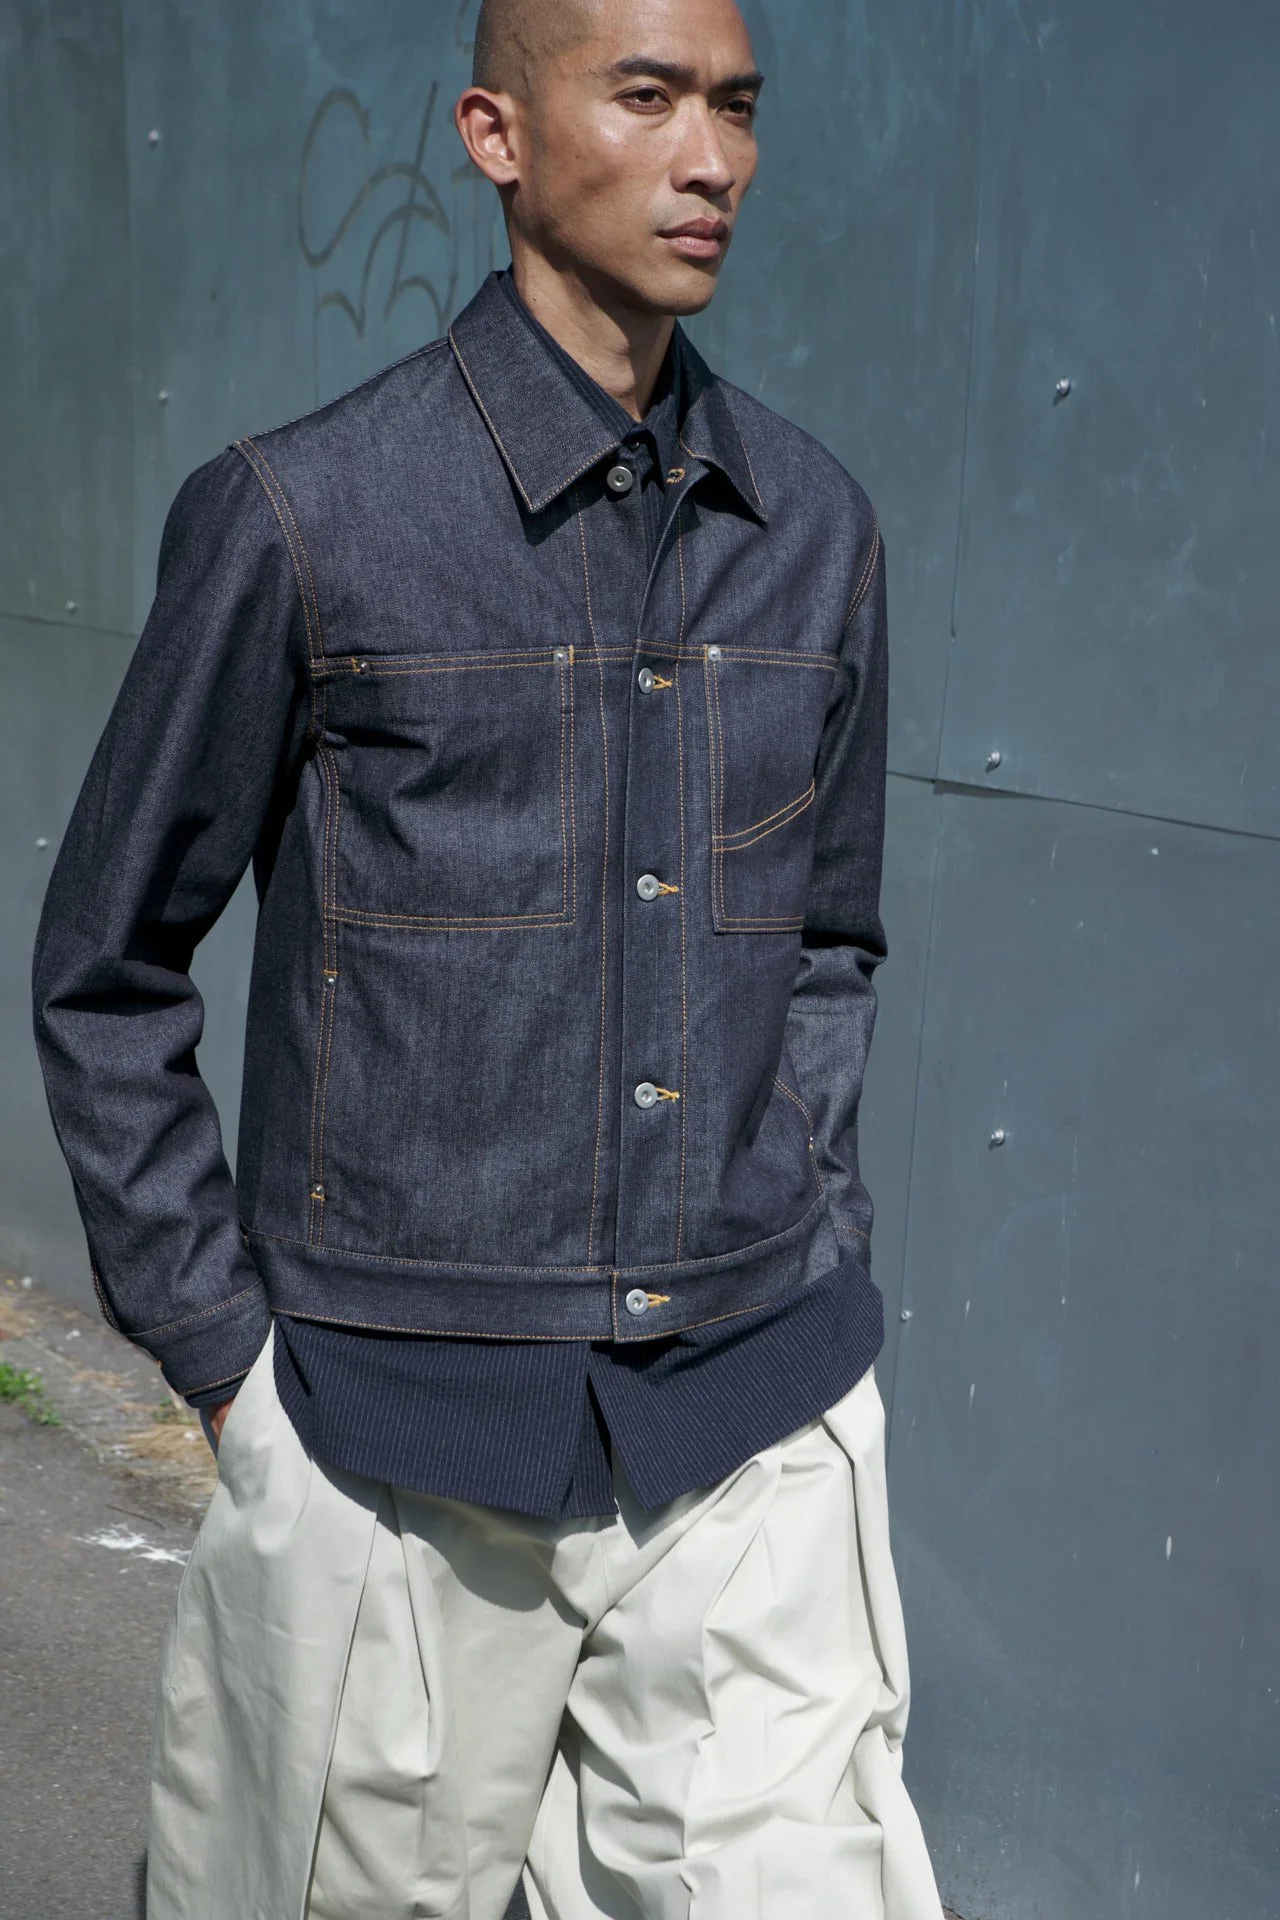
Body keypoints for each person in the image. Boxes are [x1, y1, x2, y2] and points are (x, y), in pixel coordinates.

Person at [32, 0, 946, 1914]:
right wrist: (229, 1367)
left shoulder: (817, 530)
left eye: (738, 107)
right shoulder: (303, 516)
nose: (712, 160)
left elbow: (830, 946)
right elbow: (110, 966)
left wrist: (818, 1236)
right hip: (388, 1443)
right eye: (648, 97)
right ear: (496, 135)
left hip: (753, 1427)